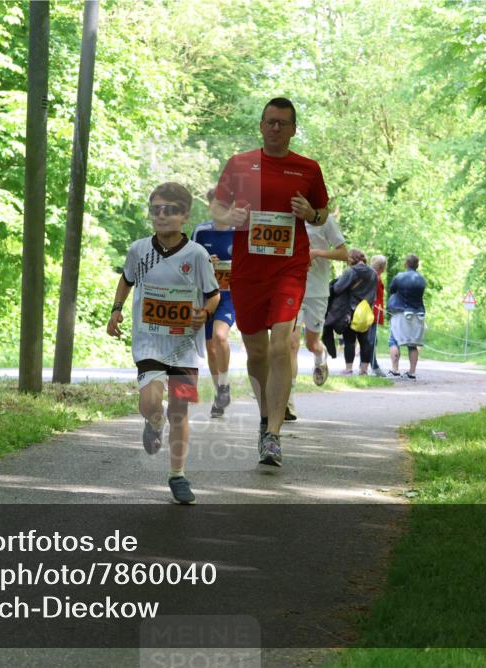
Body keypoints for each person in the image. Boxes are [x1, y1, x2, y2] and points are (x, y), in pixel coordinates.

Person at [210, 97, 330, 467]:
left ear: (294, 129)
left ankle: (274, 435)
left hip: (289, 269)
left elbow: (322, 213)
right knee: (257, 352)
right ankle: (264, 421)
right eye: (270, 122)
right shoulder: (239, 164)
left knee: (281, 347)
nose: (276, 128)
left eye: (283, 123)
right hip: (248, 272)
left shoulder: (307, 168)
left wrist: (311, 213)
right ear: (261, 126)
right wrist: (231, 215)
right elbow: (215, 210)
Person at [106, 182, 220, 504]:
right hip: (150, 343)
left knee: (180, 411)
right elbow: (126, 280)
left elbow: (213, 296)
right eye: (155, 209)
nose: (161, 216)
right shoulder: (139, 250)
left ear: (184, 215)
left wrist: (204, 313)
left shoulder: (196, 255)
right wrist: (116, 310)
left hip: (185, 347)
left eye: (169, 210)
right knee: (150, 401)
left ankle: (178, 475)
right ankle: (154, 422)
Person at [290, 201, 347, 394]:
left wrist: (316, 253)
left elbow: (344, 253)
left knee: (311, 343)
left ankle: (320, 354)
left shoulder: (325, 220)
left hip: (317, 291)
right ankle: (287, 398)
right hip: (291, 290)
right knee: (291, 343)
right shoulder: (287, 219)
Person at [192, 189, 236, 418]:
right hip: (208, 296)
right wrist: (206, 262)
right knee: (210, 347)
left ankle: (225, 383)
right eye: (217, 205)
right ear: (209, 206)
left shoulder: (240, 233)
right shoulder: (200, 232)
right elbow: (188, 261)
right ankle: (219, 392)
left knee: (220, 337)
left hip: (230, 295)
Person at [329, 249, 378, 375]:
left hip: (350, 310)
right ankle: (364, 369)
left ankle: (349, 368)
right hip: (366, 311)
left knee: (349, 340)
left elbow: (337, 288)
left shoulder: (351, 271)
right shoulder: (373, 272)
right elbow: (374, 293)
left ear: (353, 259)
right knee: (364, 341)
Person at [386, 253, 427, 380]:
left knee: (394, 341)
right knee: (412, 344)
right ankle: (412, 372)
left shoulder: (399, 277)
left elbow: (392, 289)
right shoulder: (421, 279)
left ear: (406, 264)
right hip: (418, 313)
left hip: (400, 312)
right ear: (417, 265)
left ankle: (395, 369)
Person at [368, 255, 387, 376]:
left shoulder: (374, 275)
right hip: (372, 311)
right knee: (371, 339)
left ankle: (368, 365)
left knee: (371, 339)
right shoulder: (374, 276)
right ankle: (373, 366)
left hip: (375, 310)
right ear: (381, 266)